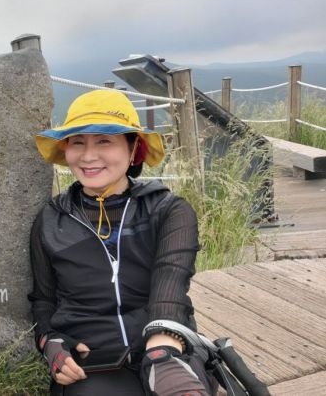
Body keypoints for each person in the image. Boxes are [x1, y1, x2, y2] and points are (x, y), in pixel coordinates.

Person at [28, 90, 217, 395]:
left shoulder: (167, 210)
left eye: (104, 140)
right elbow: (43, 300)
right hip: (92, 361)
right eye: (78, 142)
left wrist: (163, 349)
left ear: (133, 150)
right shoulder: (51, 219)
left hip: (166, 345)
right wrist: (49, 341)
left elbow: (171, 282)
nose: (88, 156)